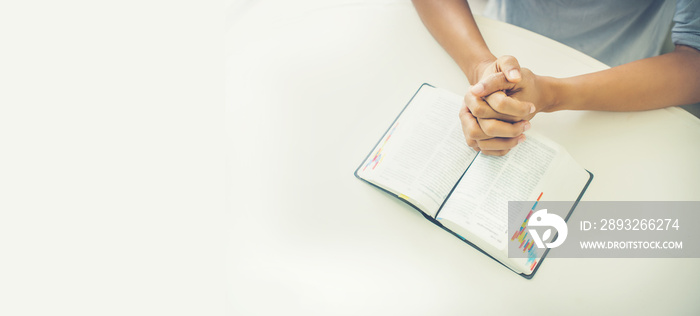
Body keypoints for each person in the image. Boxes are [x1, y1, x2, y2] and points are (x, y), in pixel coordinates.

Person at [412, 0, 700, 156]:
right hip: (490, 40)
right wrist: (480, 66)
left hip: (617, 90)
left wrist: (552, 94)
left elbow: (695, 60)